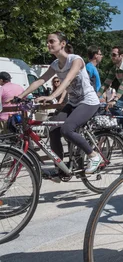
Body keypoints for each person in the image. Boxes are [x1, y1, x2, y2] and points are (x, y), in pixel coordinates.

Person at [17, 32, 102, 173]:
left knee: (67, 129)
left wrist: (52, 96)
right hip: (74, 102)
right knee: (53, 130)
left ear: (62, 44)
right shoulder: (55, 64)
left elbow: (68, 79)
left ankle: (93, 155)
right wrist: (20, 96)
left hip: (88, 101)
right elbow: (41, 80)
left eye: (51, 41)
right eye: (47, 41)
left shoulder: (76, 60)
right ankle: (61, 169)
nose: (48, 44)